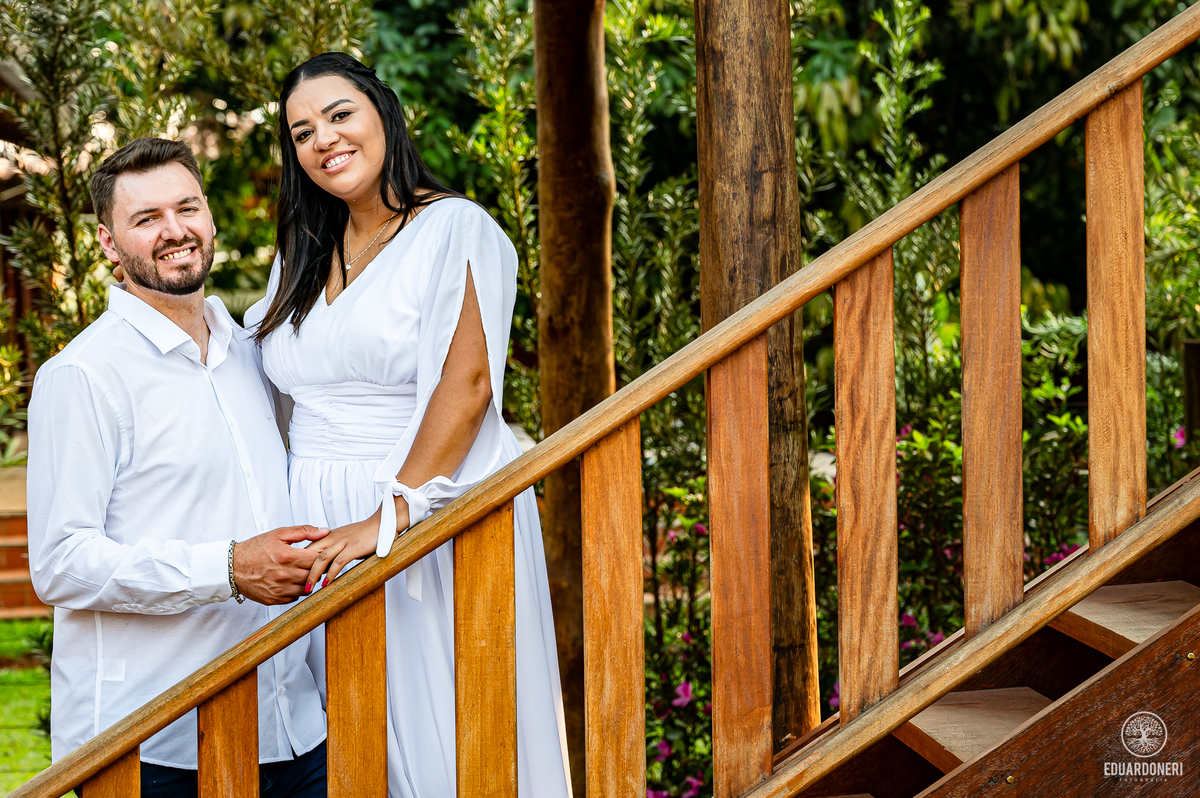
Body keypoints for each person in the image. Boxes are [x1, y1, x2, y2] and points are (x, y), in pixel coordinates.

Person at [244, 53, 570, 797]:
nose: (324, 139)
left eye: (339, 115)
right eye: (302, 132)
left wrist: (388, 516)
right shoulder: (302, 249)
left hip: (424, 506)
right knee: (356, 740)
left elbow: (469, 385)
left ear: (383, 113)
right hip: (317, 518)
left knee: (447, 731)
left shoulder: (454, 228)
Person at [27, 138, 330, 798]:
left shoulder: (254, 353)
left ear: (210, 217)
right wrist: (228, 568)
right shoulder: (82, 376)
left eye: (186, 208)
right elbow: (61, 562)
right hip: (156, 748)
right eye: (147, 218)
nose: (174, 231)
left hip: (295, 727)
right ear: (109, 243)